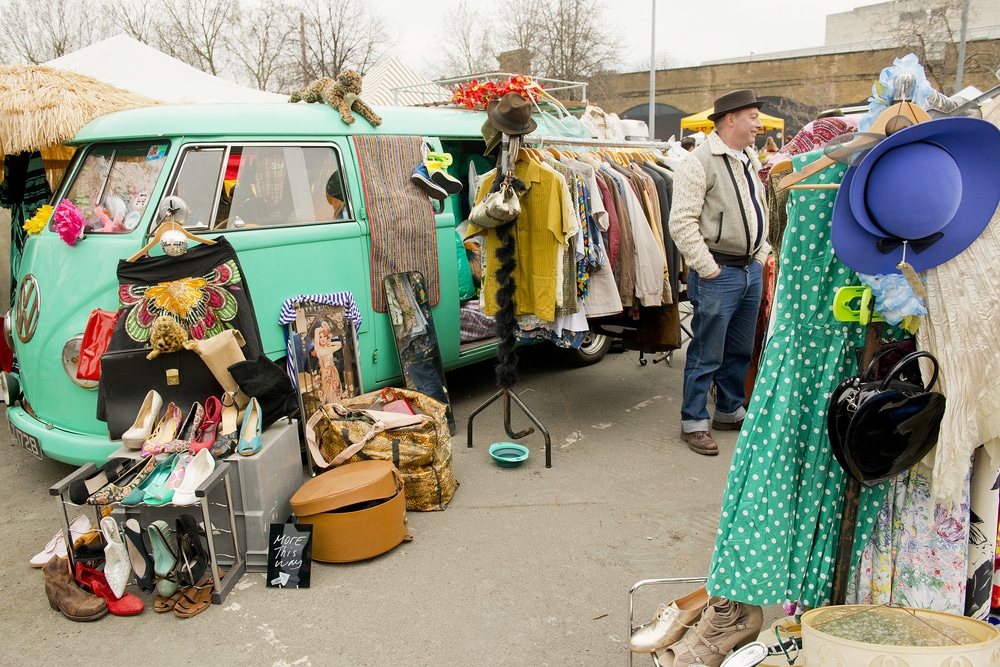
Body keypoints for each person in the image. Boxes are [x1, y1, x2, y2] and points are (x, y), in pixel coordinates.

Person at [668, 89, 770, 456]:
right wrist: (708, 268)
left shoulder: (748, 158)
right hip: (719, 271)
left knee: (740, 349)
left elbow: (760, 207)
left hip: (748, 270)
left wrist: (761, 254)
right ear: (730, 119)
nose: (759, 124)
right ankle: (693, 421)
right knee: (706, 351)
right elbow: (681, 223)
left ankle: (729, 409)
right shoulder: (699, 162)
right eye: (753, 117)